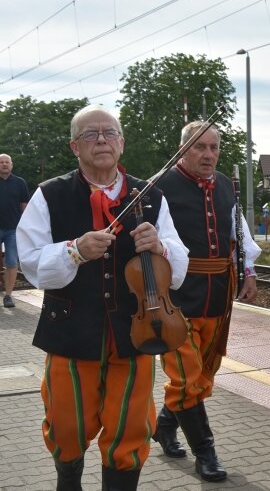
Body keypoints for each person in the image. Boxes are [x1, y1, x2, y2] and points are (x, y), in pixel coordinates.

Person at [16, 105, 189, 491]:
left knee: (131, 426)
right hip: (71, 331)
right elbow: (30, 264)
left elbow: (179, 264)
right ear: (74, 146)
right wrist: (75, 250)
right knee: (66, 423)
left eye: (109, 133)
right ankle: (69, 483)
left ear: (122, 143)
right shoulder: (50, 195)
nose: (101, 140)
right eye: (90, 134)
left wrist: (159, 245)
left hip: (137, 330)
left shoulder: (150, 194)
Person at [152, 121, 260, 482]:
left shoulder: (226, 185)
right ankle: (206, 454)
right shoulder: (159, 187)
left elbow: (237, 234)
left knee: (204, 375)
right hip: (176, 298)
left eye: (214, 148)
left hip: (218, 295)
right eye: (201, 147)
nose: (209, 155)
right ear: (183, 150)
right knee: (185, 378)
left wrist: (249, 272)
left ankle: (165, 427)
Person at [0, 153, 29, 308]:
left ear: (11, 164)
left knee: (11, 263)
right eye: (1, 162)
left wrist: (25, 227)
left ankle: (8, 296)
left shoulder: (20, 183)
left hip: (13, 230)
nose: (4, 164)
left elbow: (24, 206)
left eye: (7, 162)